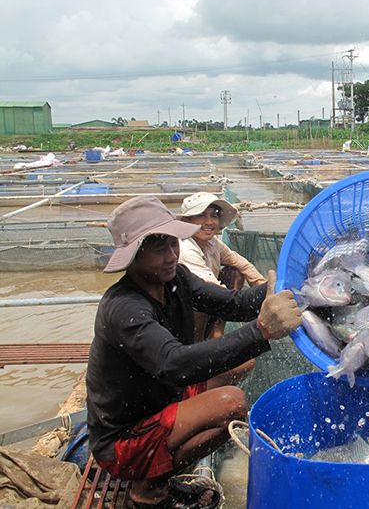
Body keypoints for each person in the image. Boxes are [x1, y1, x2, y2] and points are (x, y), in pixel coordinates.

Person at [86, 196, 302, 507]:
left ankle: (164, 461)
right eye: (158, 247)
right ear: (133, 256)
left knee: (244, 363)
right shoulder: (124, 308)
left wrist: (280, 289)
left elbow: (234, 304)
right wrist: (262, 330)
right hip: (122, 441)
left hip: (163, 398)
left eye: (173, 243)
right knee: (232, 403)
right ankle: (148, 488)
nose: (172, 254)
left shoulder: (176, 280)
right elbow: (173, 363)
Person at [178, 191, 266, 340]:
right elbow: (213, 290)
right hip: (185, 310)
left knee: (234, 271)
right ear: (187, 221)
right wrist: (259, 300)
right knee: (201, 302)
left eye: (214, 215)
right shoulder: (186, 248)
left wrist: (261, 284)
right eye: (201, 215)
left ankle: (216, 330)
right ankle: (197, 345)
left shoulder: (212, 242)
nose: (209, 222)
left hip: (208, 299)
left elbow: (240, 262)